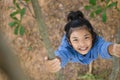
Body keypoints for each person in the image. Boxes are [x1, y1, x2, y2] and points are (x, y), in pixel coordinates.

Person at [45, 10, 120, 73]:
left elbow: (103, 47)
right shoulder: (67, 47)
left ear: (92, 37)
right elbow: (63, 54)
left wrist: (112, 49)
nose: (82, 44)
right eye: (75, 40)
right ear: (69, 42)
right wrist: (56, 61)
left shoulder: (96, 42)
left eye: (86, 37)